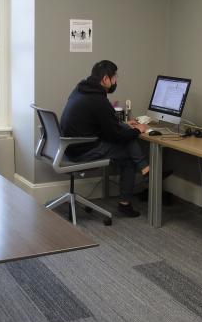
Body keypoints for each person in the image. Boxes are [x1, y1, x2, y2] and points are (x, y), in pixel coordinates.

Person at [61, 60, 149, 217]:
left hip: (69, 146)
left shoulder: (81, 89)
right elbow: (115, 136)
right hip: (82, 150)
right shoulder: (98, 100)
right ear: (105, 79)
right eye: (114, 77)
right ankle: (126, 202)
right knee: (128, 156)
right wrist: (137, 130)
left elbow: (103, 123)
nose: (116, 81)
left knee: (124, 130)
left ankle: (145, 169)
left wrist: (124, 125)